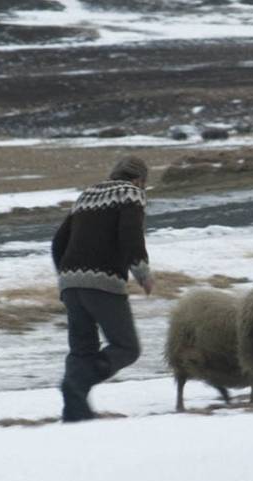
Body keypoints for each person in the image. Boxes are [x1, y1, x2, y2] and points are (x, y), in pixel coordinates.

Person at [51, 156, 155, 422]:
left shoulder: (87, 195)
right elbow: (131, 236)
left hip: (70, 284)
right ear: (139, 179)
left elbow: (58, 241)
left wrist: (66, 276)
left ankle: (75, 413)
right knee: (126, 347)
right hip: (103, 283)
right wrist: (142, 274)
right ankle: (78, 382)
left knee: (81, 349)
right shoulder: (131, 193)